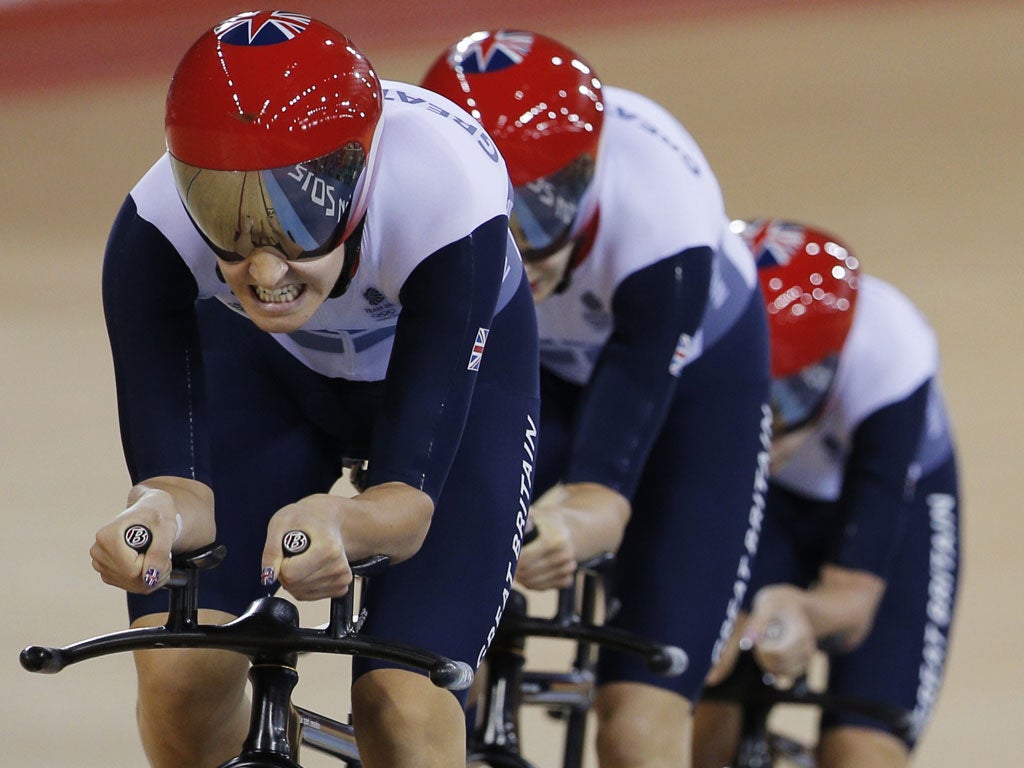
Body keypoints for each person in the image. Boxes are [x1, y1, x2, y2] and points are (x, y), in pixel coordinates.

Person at [88, 11, 540, 768]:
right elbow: (183, 490)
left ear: (358, 175)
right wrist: (153, 517)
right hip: (267, 373)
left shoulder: (446, 202)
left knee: (402, 705)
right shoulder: (150, 236)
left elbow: (408, 507)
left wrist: (343, 518)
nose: (264, 271)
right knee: (178, 681)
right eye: (224, 220)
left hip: (438, 372)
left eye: (300, 219)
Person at [422, 31, 772, 768]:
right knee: (428, 675)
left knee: (638, 727)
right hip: (536, 369)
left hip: (692, 388)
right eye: (501, 216)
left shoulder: (663, 224)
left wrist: (574, 523)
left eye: (547, 211)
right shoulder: (414, 207)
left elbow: (602, 496)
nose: (526, 249)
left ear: (594, 169)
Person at [692, 218, 961, 768]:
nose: (767, 433)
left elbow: (854, 604)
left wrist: (801, 613)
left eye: (789, 398)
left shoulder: (891, 353)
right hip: (765, 498)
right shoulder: (695, 308)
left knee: (863, 751)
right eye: (751, 402)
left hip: (893, 500)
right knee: (700, 705)